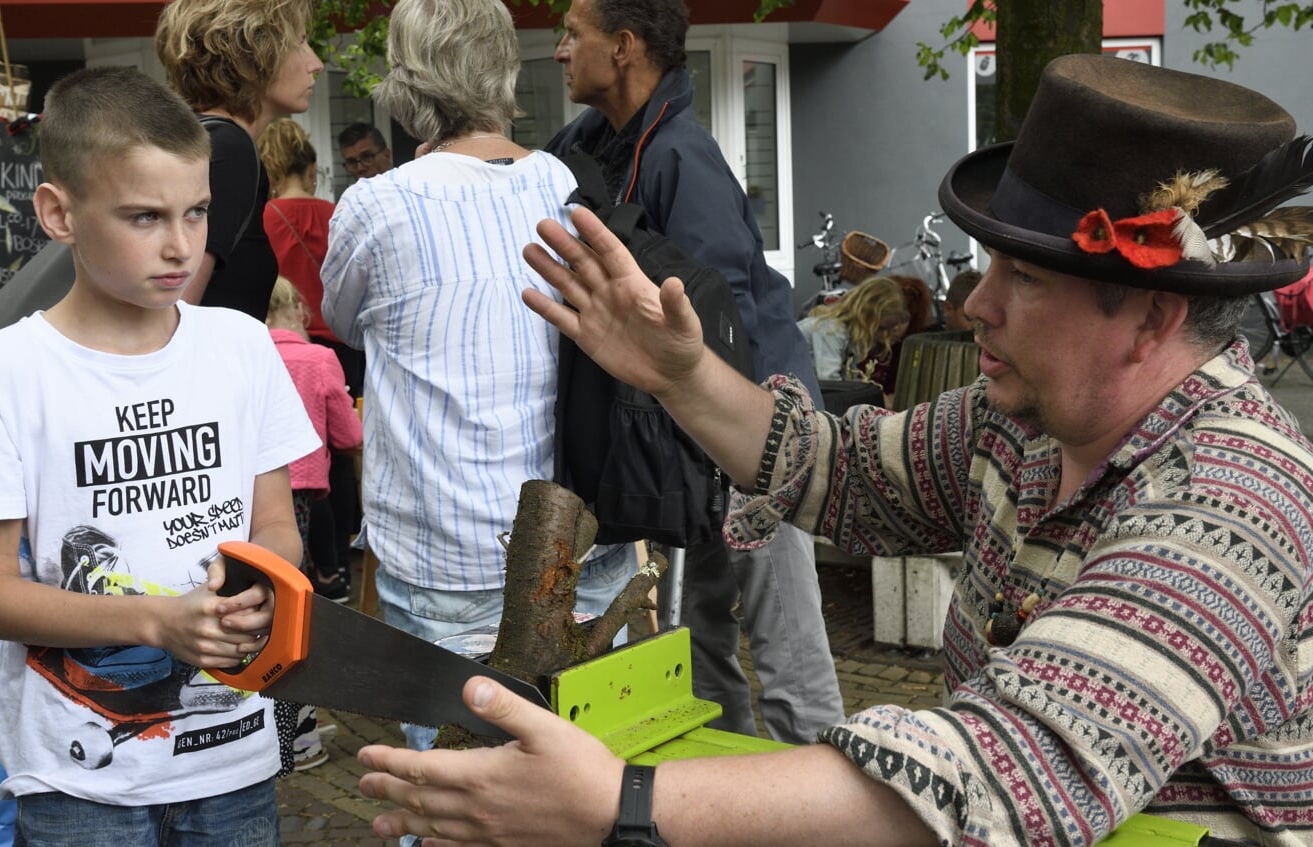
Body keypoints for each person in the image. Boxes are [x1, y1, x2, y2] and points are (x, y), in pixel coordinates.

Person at [356, 54, 1313, 846]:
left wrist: (620, 804)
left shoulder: (1235, 499)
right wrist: (681, 377)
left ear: (1151, 314)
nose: (976, 305)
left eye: (1020, 277)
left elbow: (1006, 765)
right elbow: (839, 470)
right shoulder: (1017, 420)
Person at [0, 66, 319, 845]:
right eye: (145, 216)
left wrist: (256, 582)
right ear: (59, 212)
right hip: (77, 777)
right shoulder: (4, 373)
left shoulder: (241, 346)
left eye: (198, 212)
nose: (181, 245)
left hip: (236, 760)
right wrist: (155, 621)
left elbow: (277, 524)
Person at [320, 0, 638, 793]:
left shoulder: (378, 203)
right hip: (579, 534)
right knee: (581, 785)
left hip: (444, 546)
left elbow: (342, 320)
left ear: (407, 80)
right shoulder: (560, 180)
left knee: (455, 792)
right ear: (503, 67)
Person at [545, 0, 843, 743]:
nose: (557, 51)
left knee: (784, 638)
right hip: (695, 422)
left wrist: (735, 448)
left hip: (759, 421)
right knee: (703, 625)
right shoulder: (591, 144)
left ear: (621, 47)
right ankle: (730, 791)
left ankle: (817, 801)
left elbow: (725, 309)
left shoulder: (681, 155)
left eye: (572, 35)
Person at [155, 0, 323, 322]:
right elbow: (172, 315)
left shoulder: (203, 137)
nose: (316, 63)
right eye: (300, 42)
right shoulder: (229, 150)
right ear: (253, 57)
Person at [258, 117, 365, 593]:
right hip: (338, 345)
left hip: (283, 345)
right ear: (313, 165)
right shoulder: (335, 211)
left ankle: (303, 563)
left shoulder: (263, 217)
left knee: (289, 456)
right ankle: (339, 559)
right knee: (339, 456)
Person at [265, 276, 363, 774]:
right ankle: (296, 736)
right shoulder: (319, 359)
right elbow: (349, 435)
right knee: (296, 617)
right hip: (301, 501)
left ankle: (277, 730)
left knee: (265, 609)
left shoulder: (242, 353)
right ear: (300, 310)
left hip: (249, 497)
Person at [797, 275, 910, 391]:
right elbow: (829, 382)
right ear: (866, 316)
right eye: (880, 328)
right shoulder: (831, 329)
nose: (882, 336)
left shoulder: (852, 336)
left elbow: (850, 379)